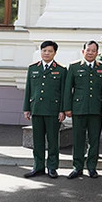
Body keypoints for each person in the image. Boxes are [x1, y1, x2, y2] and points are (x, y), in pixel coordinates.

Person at [64, 40, 102, 179]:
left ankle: (91, 167)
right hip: (79, 108)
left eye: (93, 50)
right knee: (78, 139)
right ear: (83, 51)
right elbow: (67, 90)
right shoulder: (74, 67)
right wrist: (67, 108)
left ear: (97, 53)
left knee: (94, 140)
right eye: (88, 50)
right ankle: (77, 167)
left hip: (96, 109)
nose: (90, 53)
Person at [23, 40, 66, 179]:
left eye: (50, 51)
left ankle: (52, 168)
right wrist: (27, 108)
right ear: (41, 52)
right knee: (38, 141)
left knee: (53, 141)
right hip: (37, 109)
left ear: (54, 53)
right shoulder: (33, 68)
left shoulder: (61, 70)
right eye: (44, 51)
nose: (46, 53)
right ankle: (38, 167)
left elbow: (63, 92)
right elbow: (28, 90)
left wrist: (62, 110)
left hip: (53, 111)